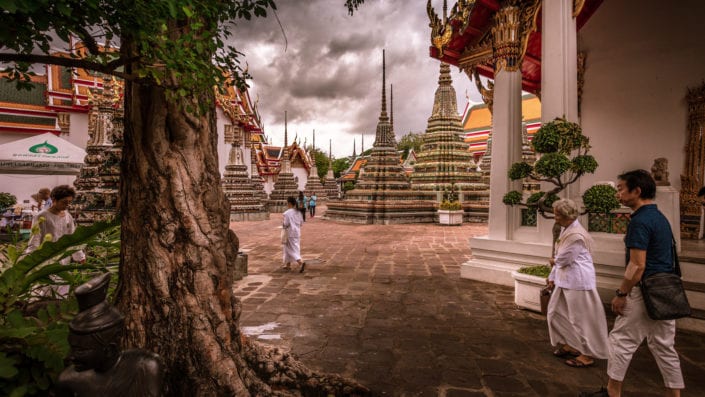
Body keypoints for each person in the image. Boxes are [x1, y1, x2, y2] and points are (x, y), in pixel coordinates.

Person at [581, 170, 684, 397]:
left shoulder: (640, 220)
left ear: (636, 191)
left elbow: (637, 265)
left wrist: (621, 293)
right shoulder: (659, 217)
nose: (617, 194)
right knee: (664, 346)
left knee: (621, 340)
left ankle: (612, 392)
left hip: (643, 290)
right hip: (665, 291)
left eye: (620, 188)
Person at [55, 273, 165, 396]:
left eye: (80, 350)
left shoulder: (144, 367)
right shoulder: (69, 380)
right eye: (72, 348)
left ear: (109, 350)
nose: (70, 356)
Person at [546, 199, 609, 368]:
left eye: (558, 214)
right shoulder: (566, 229)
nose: (555, 217)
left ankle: (586, 354)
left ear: (567, 216)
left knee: (580, 319)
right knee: (556, 313)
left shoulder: (576, 235)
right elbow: (560, 256)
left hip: (577, 280)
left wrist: (553, 262)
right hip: (565, 278)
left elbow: (563, 258)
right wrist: (552, 276)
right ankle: (572, 344)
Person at [26, 185, 85, 265]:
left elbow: (72, 238)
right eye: (64, 202)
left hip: (63, 258)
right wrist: (31, 260)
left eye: (69, 202)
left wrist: (80, 257)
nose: (67, 205)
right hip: (45, 258)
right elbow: (35, 239)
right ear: (54, 199)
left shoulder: (68, 216)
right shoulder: (42, 216)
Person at [282, 196, 305, 273]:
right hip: (297, 232)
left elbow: (286, 224)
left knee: (290, 249)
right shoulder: (299, 212)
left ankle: (300, 262)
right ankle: (288, 264)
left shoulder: (287, 213)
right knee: (293, 247)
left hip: (290, 232)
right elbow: (301, 223)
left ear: (289, 203)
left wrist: (283, 225)